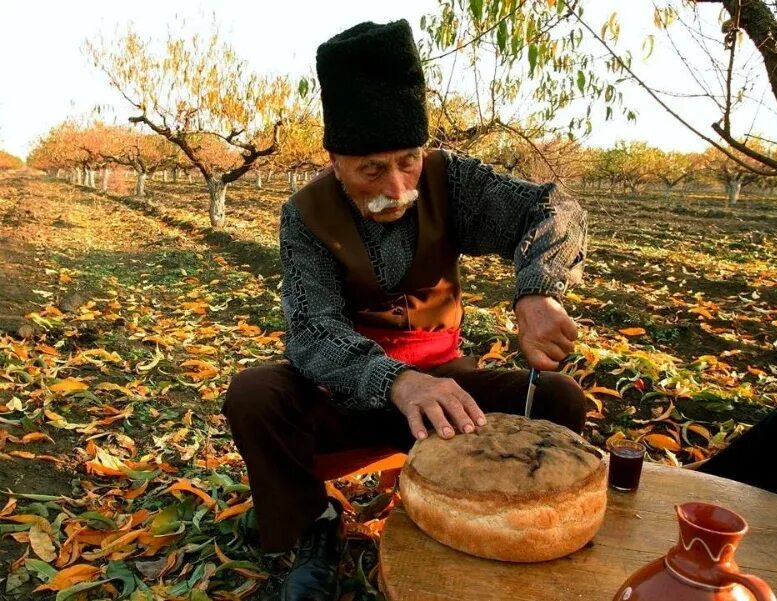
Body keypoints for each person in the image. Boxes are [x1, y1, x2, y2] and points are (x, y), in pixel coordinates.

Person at [223, 18, 588, 601]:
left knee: (557, 399)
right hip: (347, 393)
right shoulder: (306, 214)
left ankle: (499, 518)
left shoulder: (454, 182)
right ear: (336, 160)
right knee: (254, 395)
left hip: (449, 388)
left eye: (408, 160)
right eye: (371, 168)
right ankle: (314, 529)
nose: (396, 186)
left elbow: (554, 209)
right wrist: (397, 382)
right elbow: (312, 332)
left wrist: (537, 289)